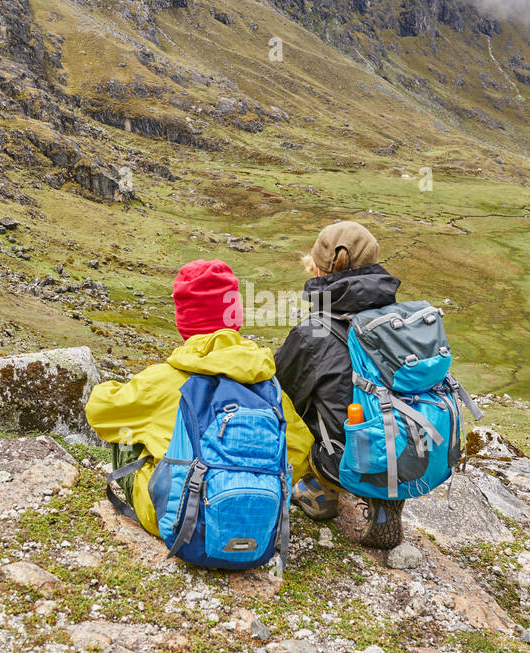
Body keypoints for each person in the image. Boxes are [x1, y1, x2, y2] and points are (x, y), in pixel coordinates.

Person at [85, 259, 313, 537]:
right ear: (234, 317)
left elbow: (99, 413)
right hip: (259, 522)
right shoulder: (266, 383)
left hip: (180, 523)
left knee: (127, 437)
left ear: (184, 322)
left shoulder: (163, 379)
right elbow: (300, 449)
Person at [274, 221, 406, 549]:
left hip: (344, 457)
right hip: (404, 445)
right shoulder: (399, 320)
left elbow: (280, 389)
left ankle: (322, 488)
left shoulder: (312, 333)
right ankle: (383, 484)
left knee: (274, 399)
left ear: (316, 268)